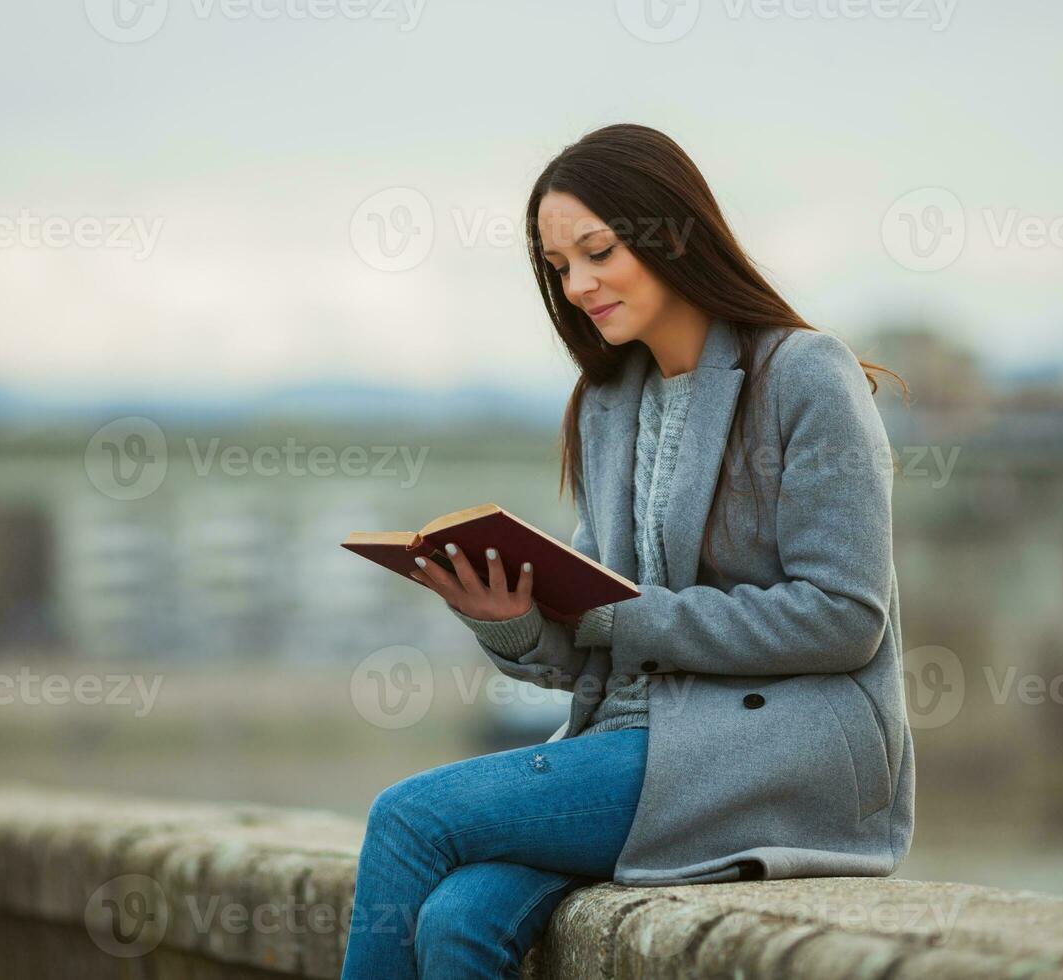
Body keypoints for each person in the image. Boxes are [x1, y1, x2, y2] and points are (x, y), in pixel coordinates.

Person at [339, 122, 915, 980]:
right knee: (457, 920)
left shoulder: (805, 375)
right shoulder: (610, 403)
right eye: (558, 266)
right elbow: (597, 646)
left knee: (410, 818)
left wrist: (619, 612)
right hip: (628, 744)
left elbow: (844, 619)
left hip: (774, 758)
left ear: (671, 233)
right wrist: (512, 623)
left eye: (596, 251)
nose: (576, 285)